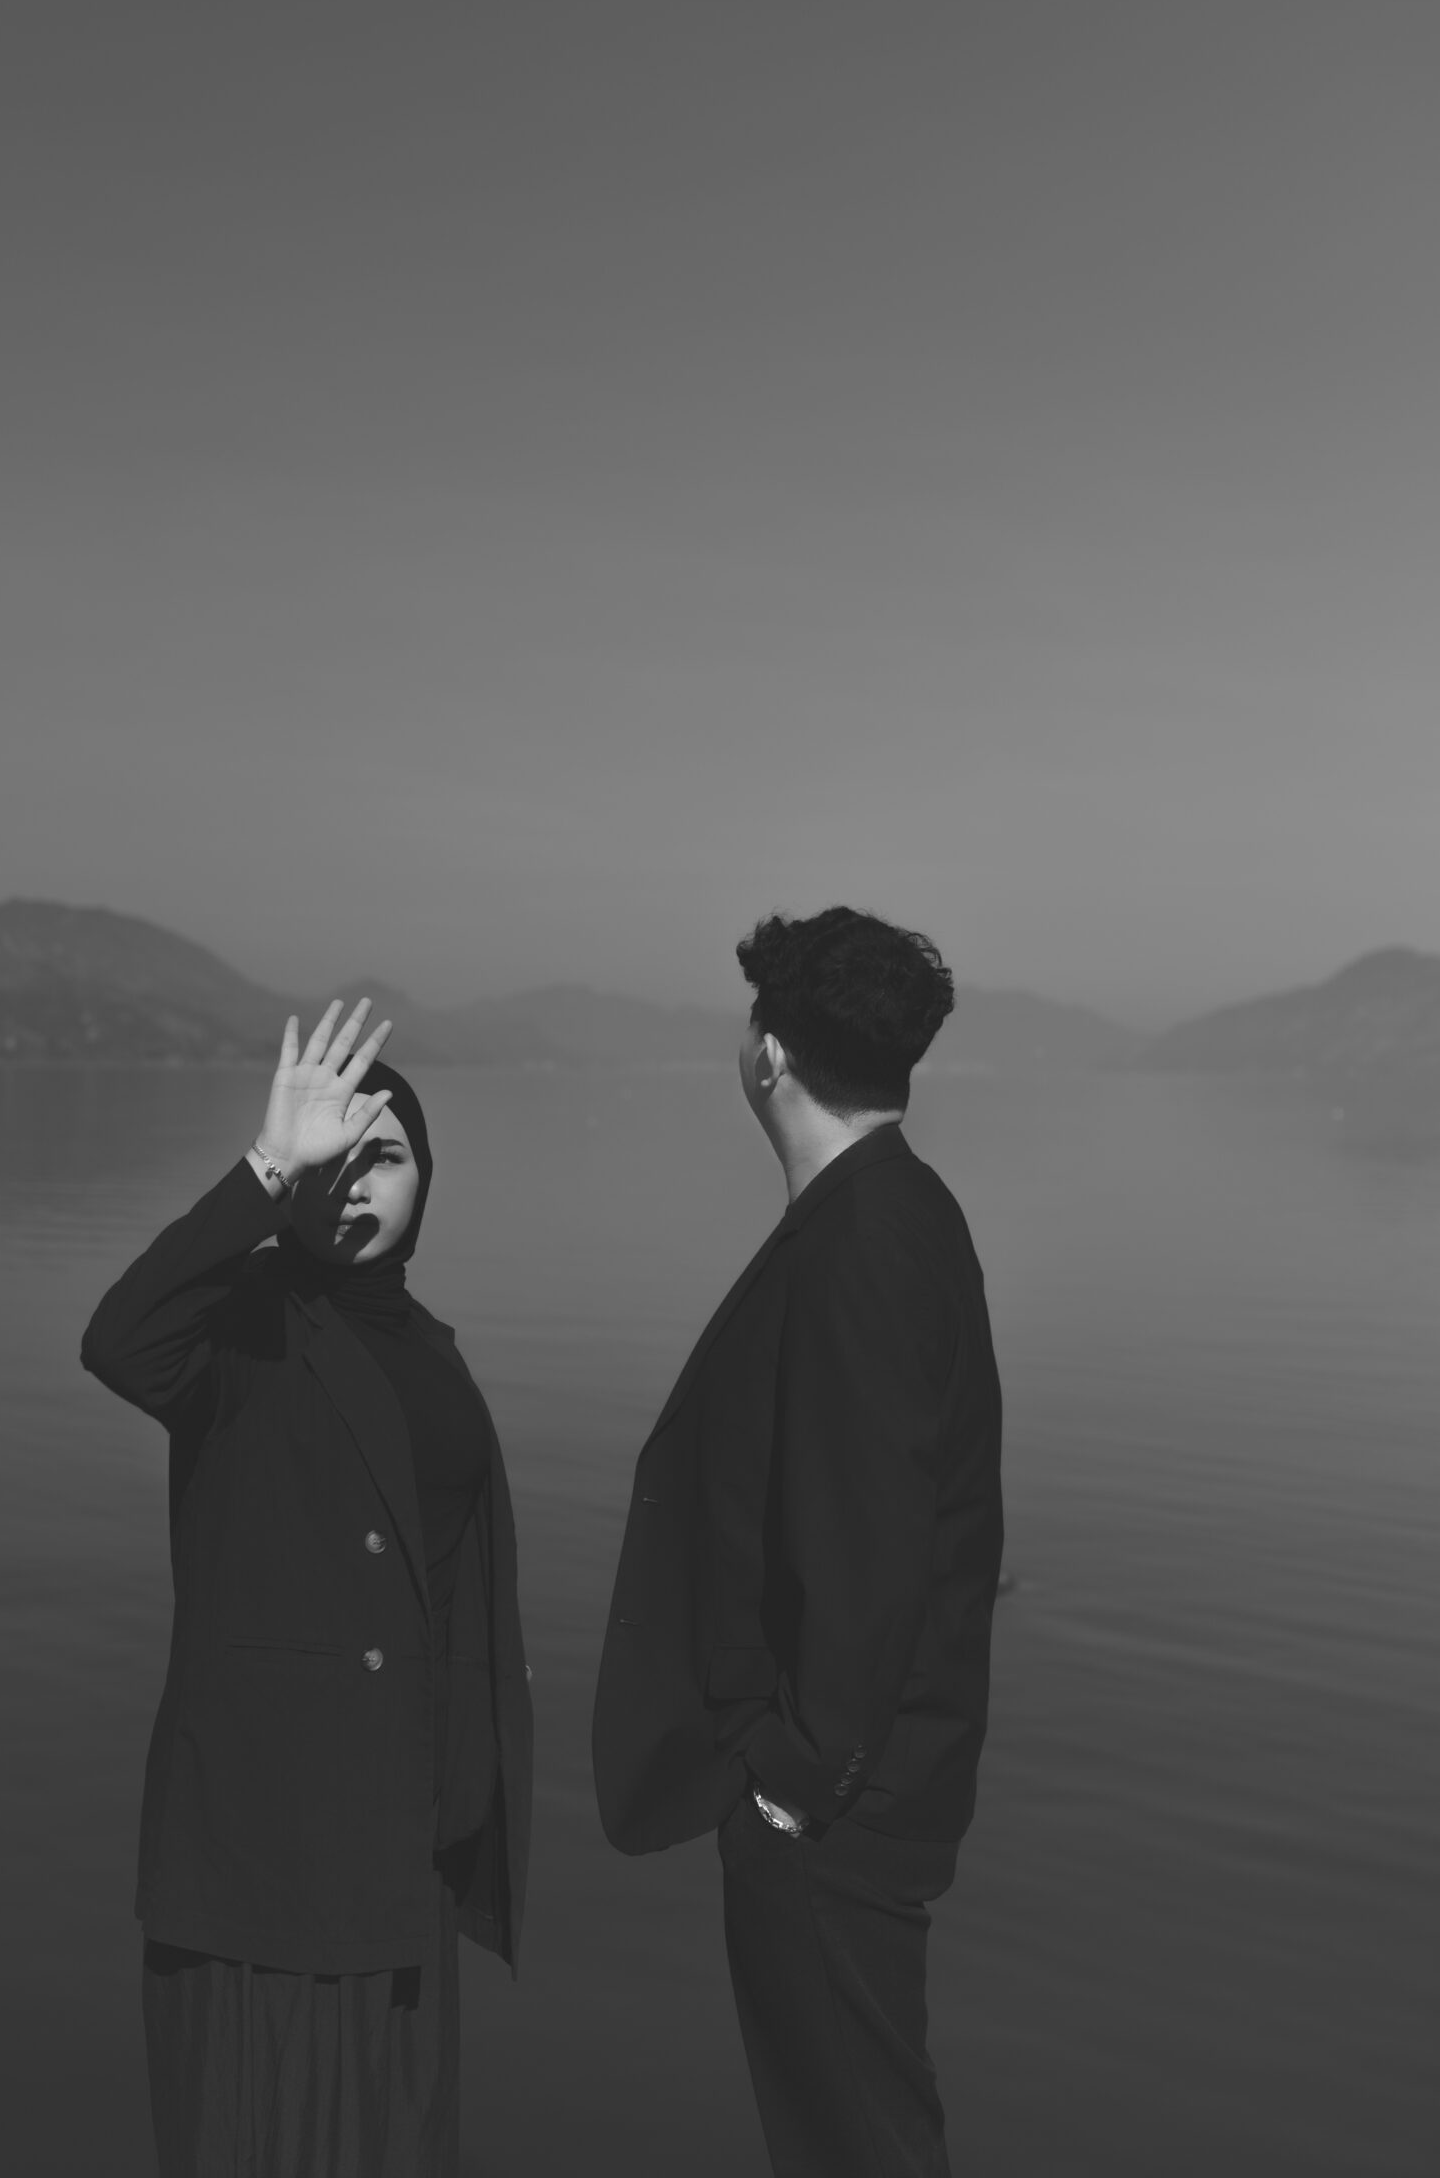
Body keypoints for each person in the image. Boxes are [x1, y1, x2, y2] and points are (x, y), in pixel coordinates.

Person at [81, 998, 532, 2178]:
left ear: (427, 1177)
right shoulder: (243, 1325)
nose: (351, 1184)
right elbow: (118, 1341)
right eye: (328, 1162)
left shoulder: (427, 1346)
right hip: (266, 1838)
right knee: (255, 2135)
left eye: (382, 1157)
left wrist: (473, 1776)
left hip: (401, 1834)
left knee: (391, 2138)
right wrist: (268, 1165)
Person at [592, 907, 1003, 2177]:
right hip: (857, 1788)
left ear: (766, 1053)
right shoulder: (897, 1208)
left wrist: (790, 1785)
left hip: (835, 1811)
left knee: (855, 2140)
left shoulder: (861, 1240)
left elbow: (867, 1541)